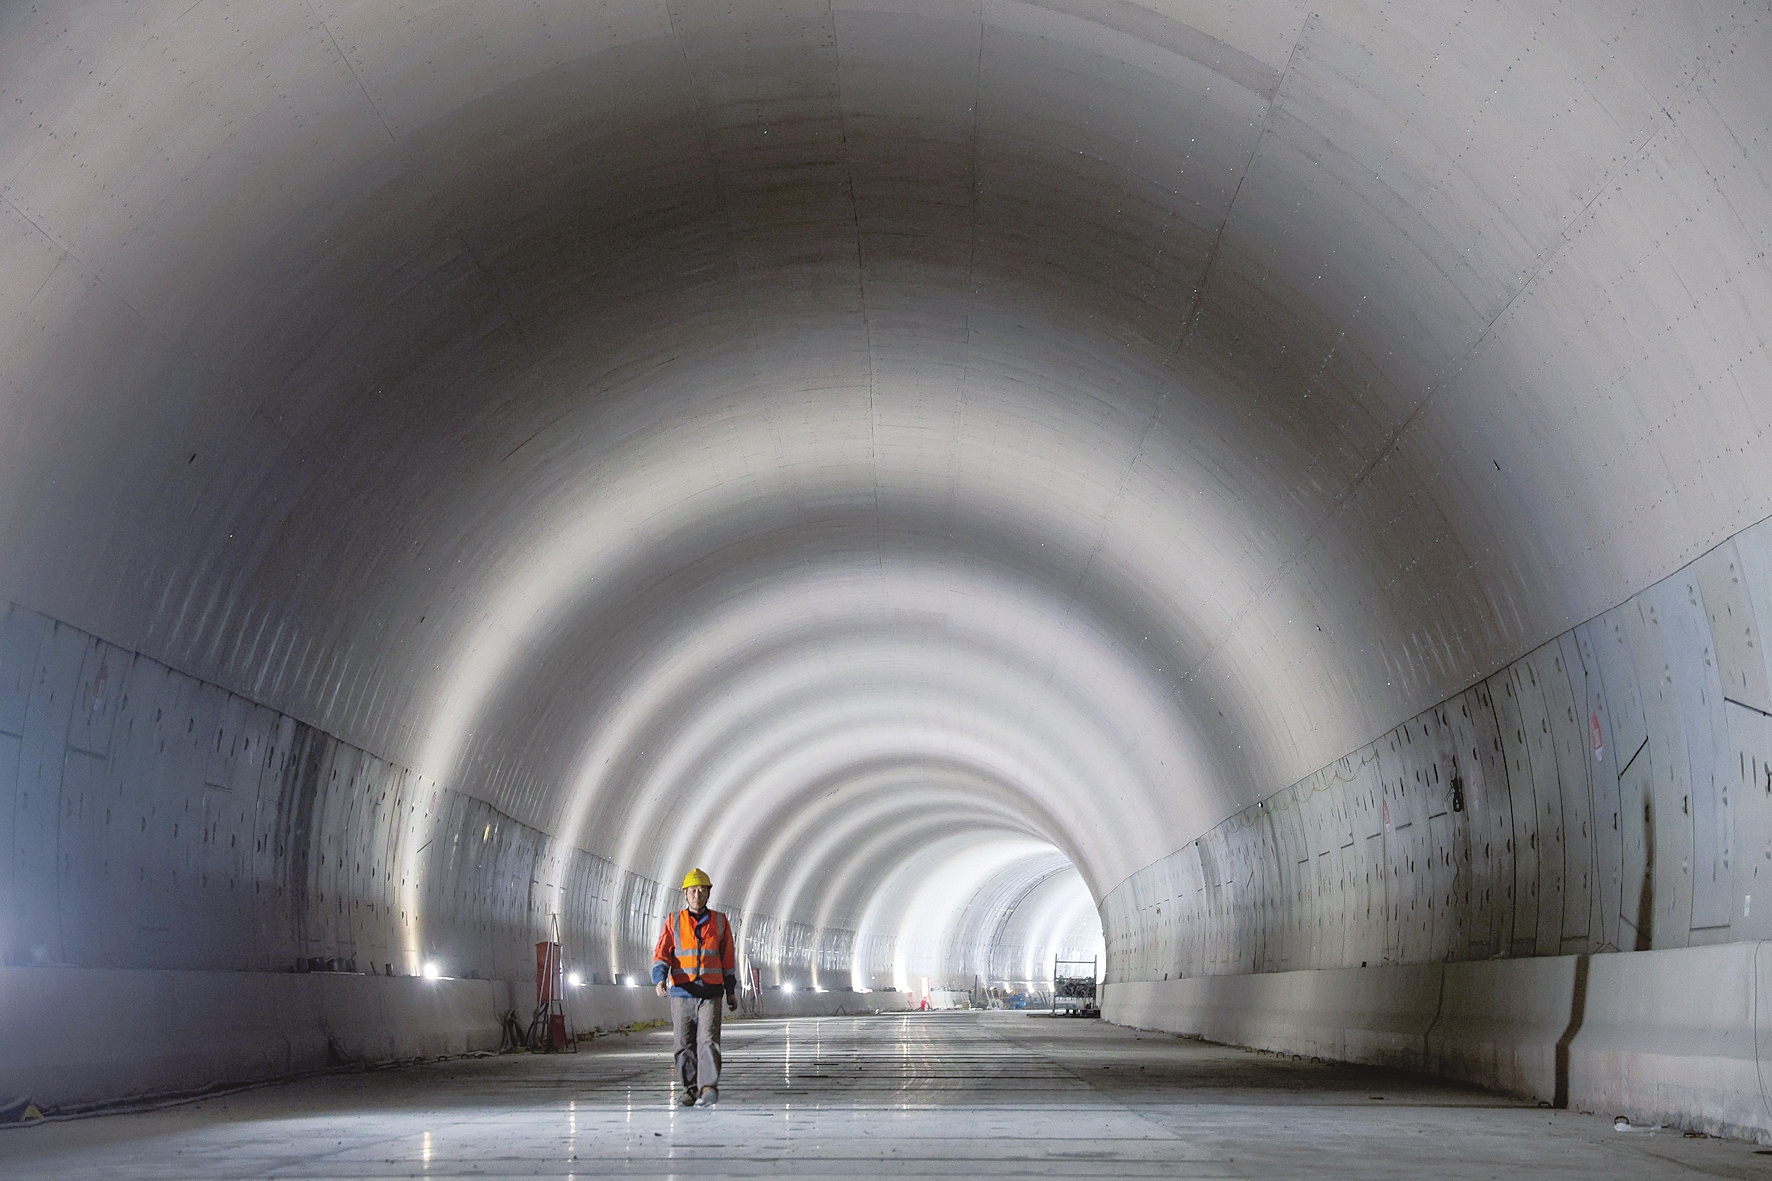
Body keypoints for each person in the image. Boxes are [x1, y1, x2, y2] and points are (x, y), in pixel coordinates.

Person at [653, 867, 738, 1107]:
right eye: (692, 891)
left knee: (708, 1040)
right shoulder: (673, 922)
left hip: (711, 992)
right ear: (685, 894)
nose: (697, 895)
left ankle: (708, 1086)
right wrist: (659, 979)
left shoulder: (720, 922)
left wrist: (730, 990)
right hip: (682, 991)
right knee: (683, 1042)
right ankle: (689, 1089)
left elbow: (727, 958)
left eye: (702, 890)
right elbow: (662, 953)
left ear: (708, 894)